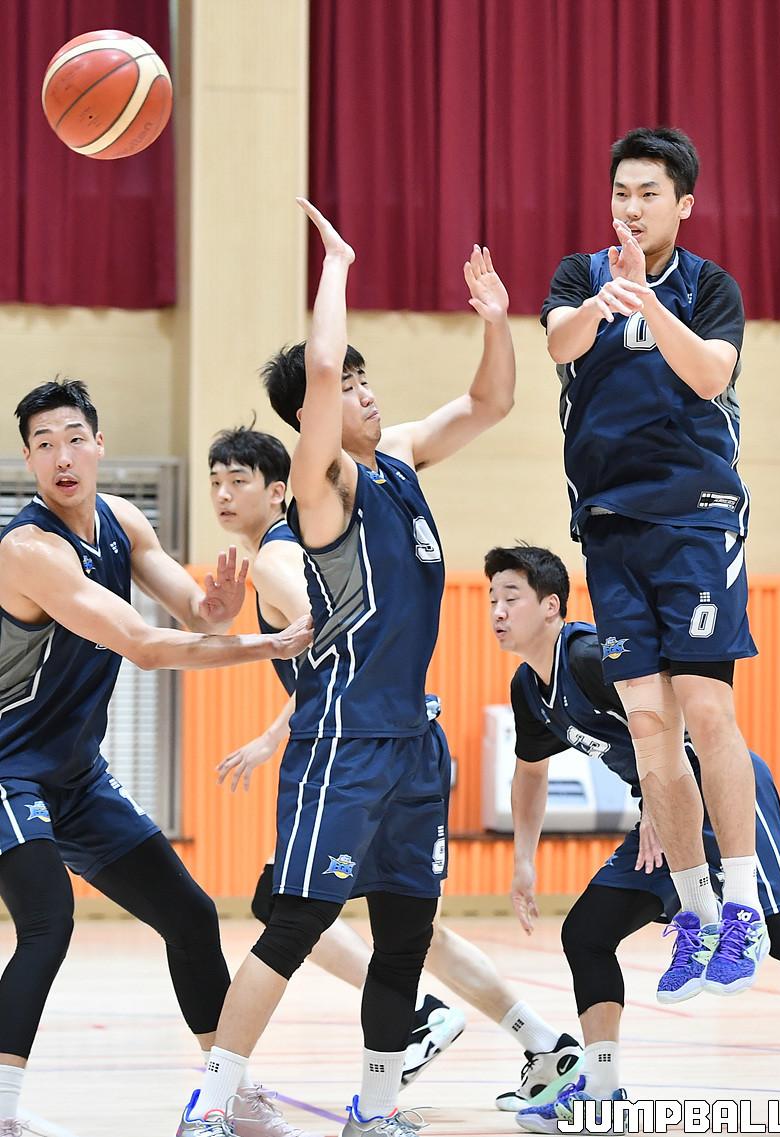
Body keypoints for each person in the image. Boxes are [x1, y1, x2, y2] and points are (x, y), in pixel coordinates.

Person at [176, 196, 516, 1137]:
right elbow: (320, 368)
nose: (365, 392)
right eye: (352, 384)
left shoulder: (398, 462)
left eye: (369, 381)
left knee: (406, 933)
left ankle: (375, 1107)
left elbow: (490, 403)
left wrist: (496, 323)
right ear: (315, 417)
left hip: (413, 741)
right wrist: (338, 265)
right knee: (294, 924)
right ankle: (210, 1103)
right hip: (344, 744)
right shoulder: (322, 488)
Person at [208, 426, 582, 1108]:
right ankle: (539, 1040)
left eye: (239, 480)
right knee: (407, 927)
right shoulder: (296, 547)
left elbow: (338, 644)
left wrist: (270, 734)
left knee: (293, 911)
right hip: (395, 743)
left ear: (279, 489)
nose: (224, 494)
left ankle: (415, 1024)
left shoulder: (279, 555)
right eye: (215, 483)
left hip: (370, 750)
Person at [0, 380, 312, 1137]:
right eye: (44, 445)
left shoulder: (123, 521)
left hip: (77, 778)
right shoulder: (27, 550)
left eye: (74, 439)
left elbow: (196, 612)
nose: (62, 457)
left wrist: (219, 607)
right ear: (28, 460)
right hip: (8, 769)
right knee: (47, 921)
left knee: (190, 915)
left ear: (99, 445)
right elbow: (142, 645)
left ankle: (226, 1095)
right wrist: (268, 643)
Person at [540, 126, 767, 1000]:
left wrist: (650, 301)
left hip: (696, 518)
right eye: (621, 193)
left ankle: (743, 904)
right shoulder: (580, 276)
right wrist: (607, 300)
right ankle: (695, 911)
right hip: (609, 526)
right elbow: (560, 344)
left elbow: (710, 375)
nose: (631, 208)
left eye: (648, 194)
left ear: (684, 204)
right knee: (646, 726)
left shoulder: (711, 286)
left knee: (706, 708)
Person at [485, 543, 780, 1133]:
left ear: (551, 606)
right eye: (491, 600)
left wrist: (660, 806)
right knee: (586, 934)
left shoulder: (589, 657)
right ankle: (603, 1094)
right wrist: (523, 861)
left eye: (511, 597)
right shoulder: (529, 689)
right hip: (661, 812)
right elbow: (530, 775)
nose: (498, 612)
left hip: (716, 793)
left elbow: (674, 721)